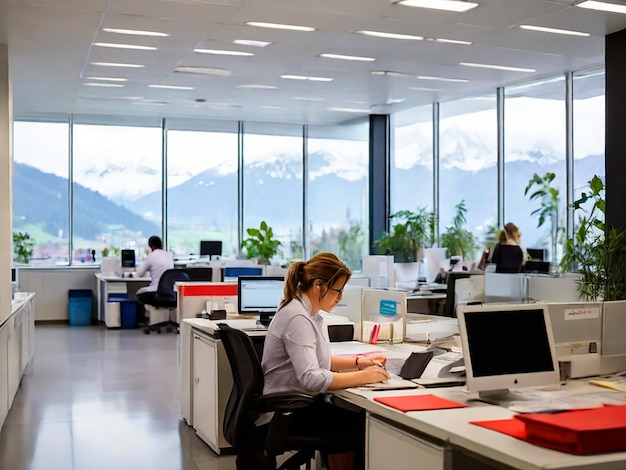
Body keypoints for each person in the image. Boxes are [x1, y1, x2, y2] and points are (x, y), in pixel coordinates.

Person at [261, 252, 389, 470]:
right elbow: (311, 378)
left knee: (355, 420)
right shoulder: (298, 319)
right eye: (337, 290)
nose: (340, 298)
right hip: (287, 411)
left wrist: (359, 363)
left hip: (297, 405)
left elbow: (320, 361)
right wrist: (364, 377)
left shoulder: (310, 314)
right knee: (358, 427)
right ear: (318, 285)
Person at [135, 235, 174, 304]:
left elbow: (140, 274)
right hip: (170, 291)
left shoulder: (152, 255)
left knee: (139, 293)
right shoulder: (169, 255)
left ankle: (143, 314)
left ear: (151, 246)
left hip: (156, 290)